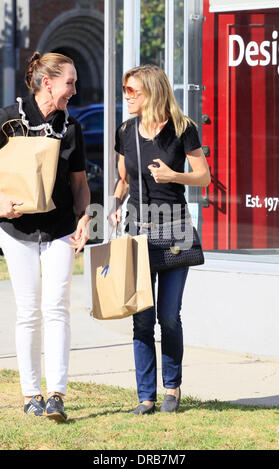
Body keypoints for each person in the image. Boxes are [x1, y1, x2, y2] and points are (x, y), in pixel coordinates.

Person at [111, 65, 210, 414]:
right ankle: (145, 396)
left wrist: (173, 175)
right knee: (141, 317)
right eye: (125, 89)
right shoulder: (125, 131)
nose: (127, 95)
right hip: (138, 230)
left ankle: (172, 388)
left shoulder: (183, 129)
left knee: (168, 315)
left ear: (152, 91)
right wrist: (114, 204)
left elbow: (204, 177)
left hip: (175, 230)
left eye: (132, 90)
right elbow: (123, 179)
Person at [0, 52, 91, 422]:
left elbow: (80, 184)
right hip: (16, 231)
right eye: (69, 82)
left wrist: (86, 215)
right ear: (47, 82)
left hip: (60, 232)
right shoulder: (7, 119)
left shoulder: (72, 128)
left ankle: (56, 394)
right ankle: (30, 394)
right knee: (28, 312)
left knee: (56, 308)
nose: (74, 89)